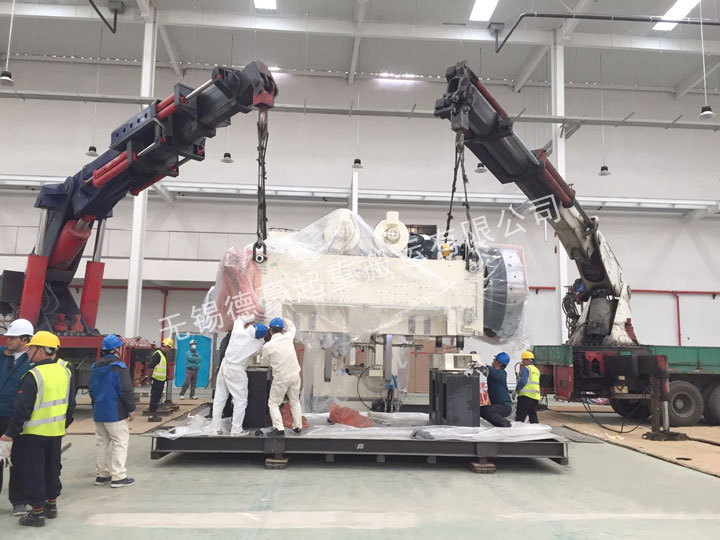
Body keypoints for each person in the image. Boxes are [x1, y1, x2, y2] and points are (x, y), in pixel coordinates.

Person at [0, 331, 75, 527]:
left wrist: (9, 434)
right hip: (55, 432)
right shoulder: (65, 372)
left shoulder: (33, 375)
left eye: (31, 347)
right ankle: (51, 505)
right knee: (52, 469)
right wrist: (64, 425)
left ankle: (36, 514)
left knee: (33, 472)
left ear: (41, 350)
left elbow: (22, 409)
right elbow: (71, 403)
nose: (28, 351)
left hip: (32, 435)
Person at [89, 334, 136, 488]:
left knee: (101, 443)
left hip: (99, 411)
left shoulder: (95, 367)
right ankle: (118, 476)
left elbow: (91, 390)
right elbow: (125, 390)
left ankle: (102, 475)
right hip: (115, 412)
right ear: (116, 350)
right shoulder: (119, 368)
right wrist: (131, 408)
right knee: (120, 442)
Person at [0, 318, 34, 516]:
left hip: (18, 417)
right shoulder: (2, 356)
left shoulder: (31, 362)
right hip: (0, 414)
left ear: (25, 339)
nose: (8, 341)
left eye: (12, 338)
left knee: (18, 460)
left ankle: (19, 501)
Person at [211, 321, 268, 436]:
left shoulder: (238, 331)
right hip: (237, 370)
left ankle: (215, 428)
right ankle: (236, 430)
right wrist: (261, 338)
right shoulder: (256, 344)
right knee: (240, 401)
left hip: (224, 365)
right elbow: (260, 349)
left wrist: (250, 319)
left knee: (219, 399)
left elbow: (238, 320)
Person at [262, 318, 302, 435]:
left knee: (273, 403)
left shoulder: (268, 346)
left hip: (281, 378)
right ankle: (297, 427)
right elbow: (292, 326)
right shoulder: (288, 338)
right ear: (282, 330)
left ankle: (279, 428)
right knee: (294, 401)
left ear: (270, 331)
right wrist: (284, 318)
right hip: (295, 375)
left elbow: (264, 364)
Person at [479, 352, 512, 428]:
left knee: (488, 411)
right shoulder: (495, 373)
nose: (493, 362)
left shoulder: (501, 374)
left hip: (504, 407)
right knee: (481, 411)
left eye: (494, 360)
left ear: (498, 363)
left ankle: (505, 424)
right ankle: (498, 425)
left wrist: (482, 365)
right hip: (497, 405)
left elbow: (492, 372)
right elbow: (488, 372)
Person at [147, 338, 173, 422]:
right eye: (169, 348)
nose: (169, 350)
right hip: (156, 379)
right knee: (154, 397)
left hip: (160, 380)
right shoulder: (158, 354)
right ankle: (151, 415)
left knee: (157, 397)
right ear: (166, 346)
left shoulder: (162, 354)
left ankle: (153, 414)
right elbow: (151, 367)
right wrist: (149, 378)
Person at [514, 350, 541, 424]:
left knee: (520, 417)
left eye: (523, 360)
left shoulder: (526, 369)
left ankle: (517, 430)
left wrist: (516, 390)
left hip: (525, 397)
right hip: (535, 397)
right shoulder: (536, 370)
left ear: (527, 360)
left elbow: (523, 381)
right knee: (533, 417)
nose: (522, 361)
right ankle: (536, 429)